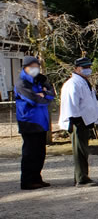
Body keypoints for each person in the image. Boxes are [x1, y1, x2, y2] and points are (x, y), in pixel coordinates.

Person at [58, 56, 98, 187]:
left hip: (84, 119)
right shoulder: (73, 83)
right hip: (77, 120)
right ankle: (81, 178)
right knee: (79, 150)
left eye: (89, 67)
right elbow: (71, 104)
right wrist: (74, 120)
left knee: (82, 150)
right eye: (84, 67)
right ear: (76, 69)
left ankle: (82, 175)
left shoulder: (83, 81)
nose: (88, 70)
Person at [15, 56, 55, 190]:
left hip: (41, 121)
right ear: (25, 67)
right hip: (28, 121)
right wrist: (41, 95)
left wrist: (44, 94)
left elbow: (51, 95)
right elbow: (33, 100)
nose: (35, 69)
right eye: (32, 66)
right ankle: (27, 181)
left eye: (36, 66)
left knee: (40, 153)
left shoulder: (40, 79)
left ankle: (36, 178)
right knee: (29, 153)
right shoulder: (21, 83)